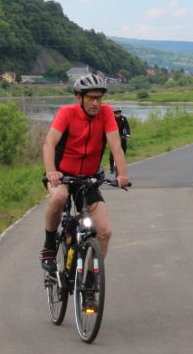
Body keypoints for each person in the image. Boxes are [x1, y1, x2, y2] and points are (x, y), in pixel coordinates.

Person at [40, 74, 129, 275]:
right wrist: (51, 171)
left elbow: (116, 146)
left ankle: (89, 280)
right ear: (79, 97)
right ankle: (49, 246)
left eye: (99, 98)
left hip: (88, 179)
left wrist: (122, 174)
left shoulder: (106, 113)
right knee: (59, 197)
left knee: (105, 232)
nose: (95, 103)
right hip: (61, 175)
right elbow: (49, 143)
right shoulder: (66, 113)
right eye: (90, 98)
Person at [109, 106, 131, 174]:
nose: (117, 114)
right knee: (112, 153)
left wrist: (128, 134)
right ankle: (111, 167)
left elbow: (127, 127)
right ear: (113, 113)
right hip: (113, 135)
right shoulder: (111, 119)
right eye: (116, 113)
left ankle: (122, 160)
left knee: (124, 145)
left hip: (121, 135)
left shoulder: (123, 119)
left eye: (119, 112)